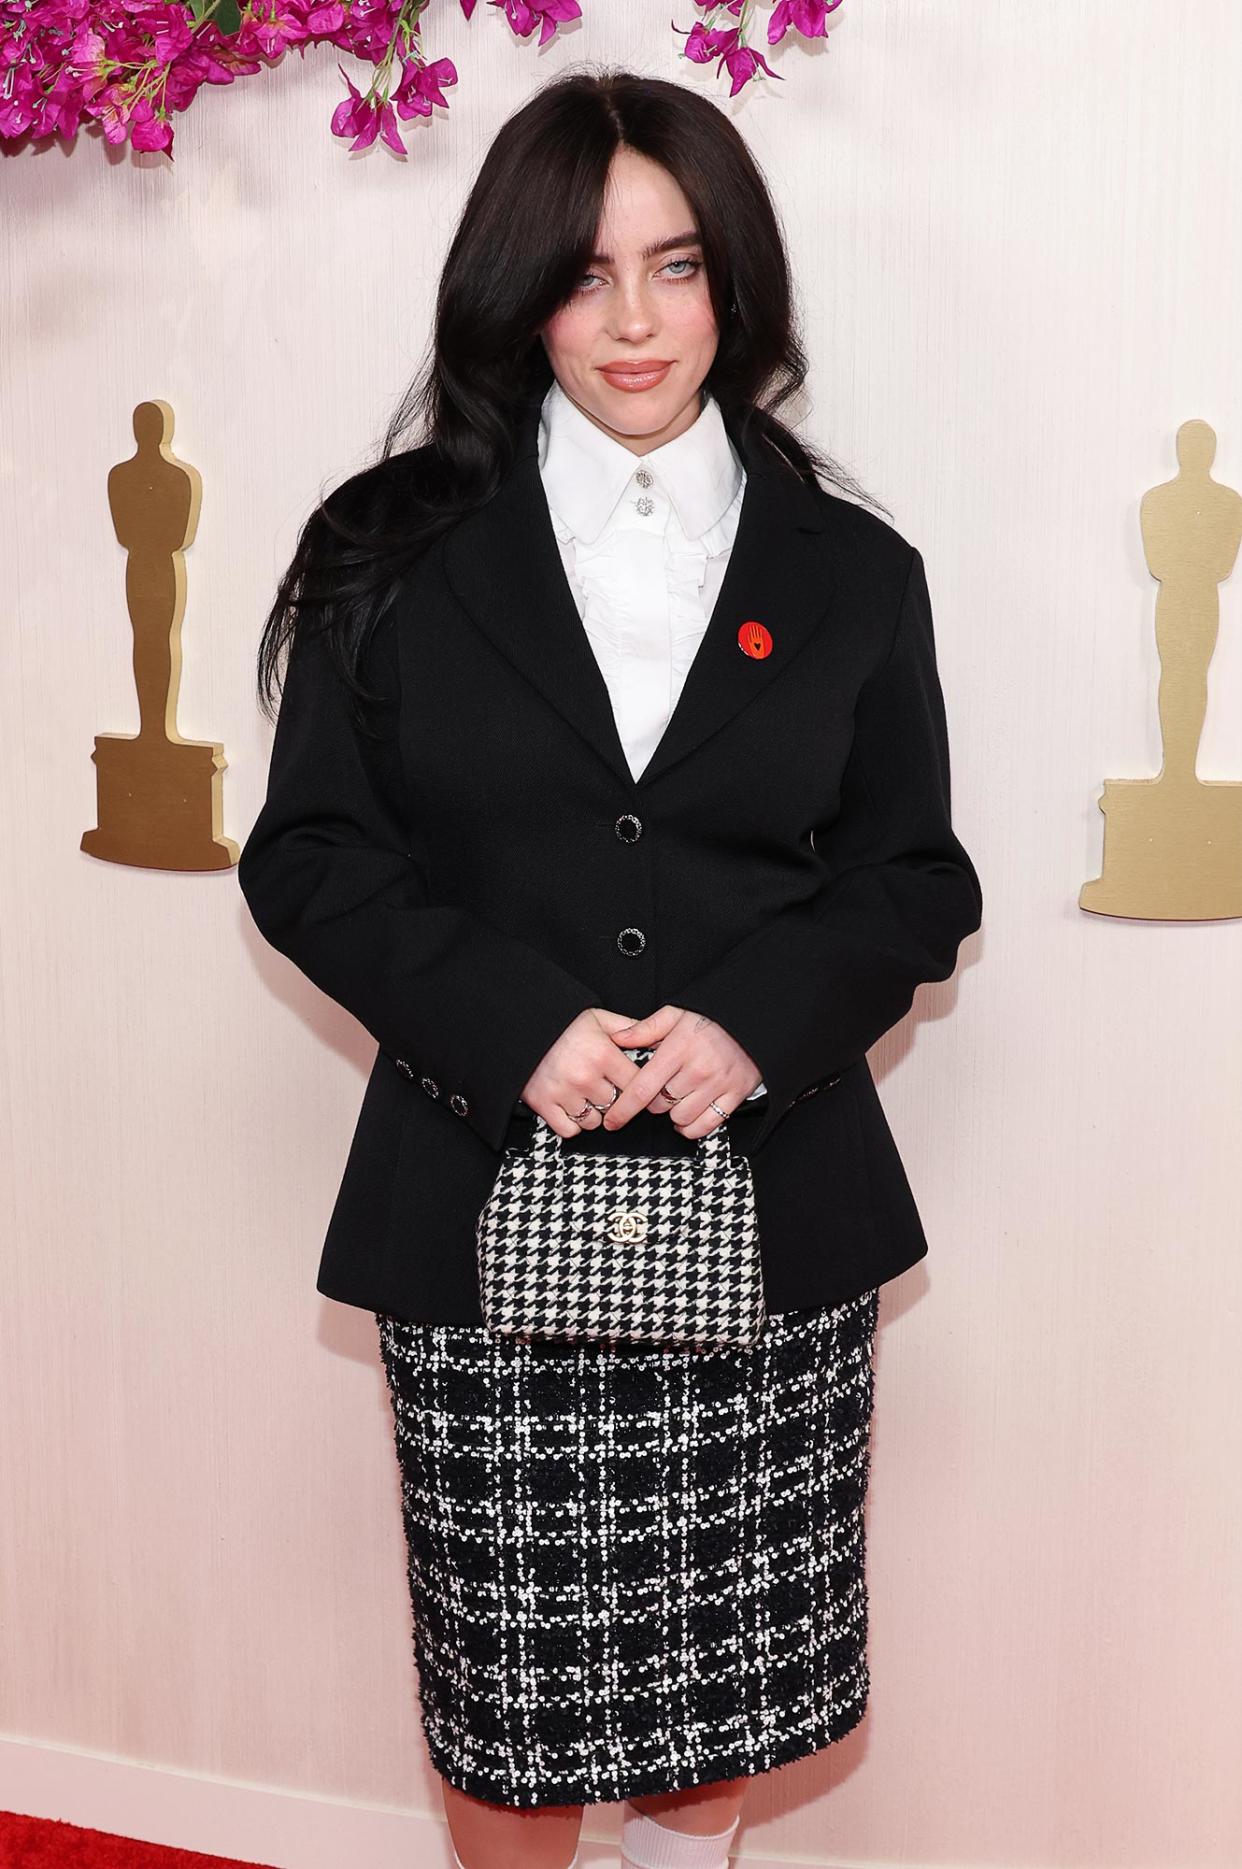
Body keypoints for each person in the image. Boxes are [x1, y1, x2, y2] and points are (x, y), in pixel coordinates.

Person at [238, 67, 982, 1869]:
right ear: (514, 293)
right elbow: (310, 857)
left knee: (716, 1702)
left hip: (770, 1212)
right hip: (485, 1211)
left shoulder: (856, 571)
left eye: (678, 268)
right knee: (512, 1716)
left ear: (737, 287)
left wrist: (759, 1027)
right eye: (582, 276)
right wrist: (515, 1028)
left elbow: (911, 879)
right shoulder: (385, 546)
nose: (634, 323)